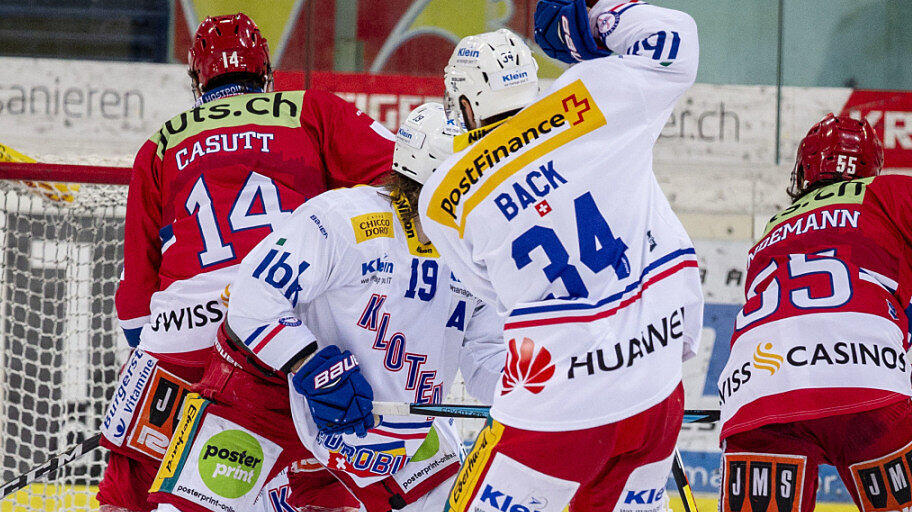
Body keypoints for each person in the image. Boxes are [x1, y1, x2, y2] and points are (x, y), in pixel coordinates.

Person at [98, 12, 395, 512]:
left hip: (181, 335)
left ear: (197, 80)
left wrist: (146, 365)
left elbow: (134, 295)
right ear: (266, 74)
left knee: (126, 489)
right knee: (321, 485)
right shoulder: (309, 110)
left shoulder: (161, 144)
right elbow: (401, 176)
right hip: (283, 327)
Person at [148, 103, 506, 512]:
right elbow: (251, 298)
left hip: (379, 428)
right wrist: (311, 365)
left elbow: (485, 359)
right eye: (468, 185)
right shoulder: (343, 220)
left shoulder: (481, 253)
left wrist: (536, 390)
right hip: (263, 396)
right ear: (431, 183)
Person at [419, 1, 703, 509]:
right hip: (655, 388)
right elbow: (675, 39)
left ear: (465, 107)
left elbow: (492, 289)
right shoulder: (597, 95)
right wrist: (596, 21)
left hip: (554, 409)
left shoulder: (442, 196)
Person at [716, 113, 912, 512]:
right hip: (864, 386)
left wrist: (911, 382)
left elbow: (809, 338)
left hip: (754, 393)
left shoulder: (769, 237)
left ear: (805, 170)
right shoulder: (884, 195)